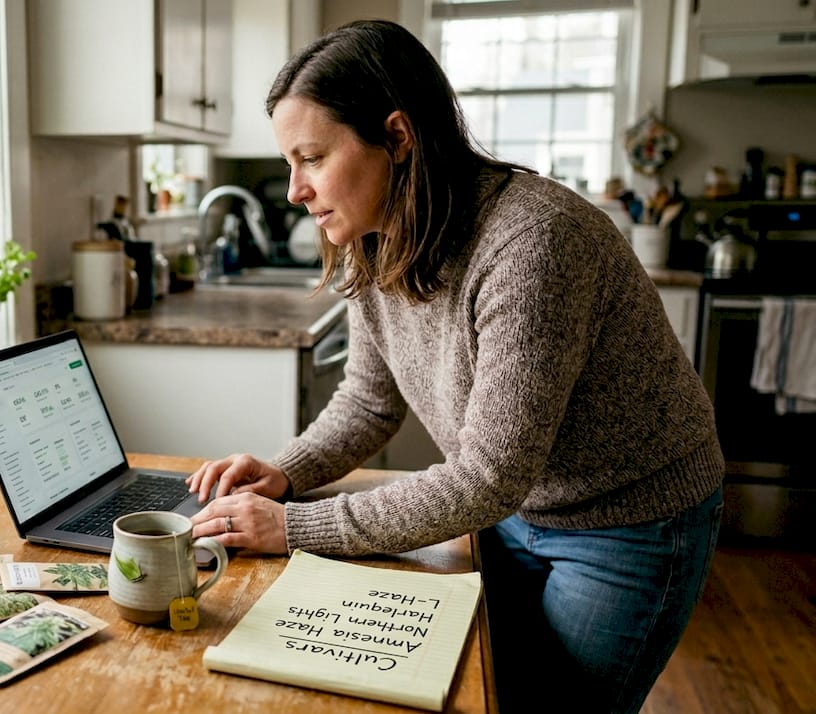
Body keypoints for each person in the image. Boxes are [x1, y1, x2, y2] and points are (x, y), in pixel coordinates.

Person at [185, 19, 723, 714]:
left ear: (398, 137)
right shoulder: (374, 238)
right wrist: (288, 472)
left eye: (312, 158)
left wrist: (292, 528)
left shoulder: (534, 243)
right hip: (514, 509)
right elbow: (368, 402)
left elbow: (487, 477)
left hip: (629, 524)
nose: (294, 189)